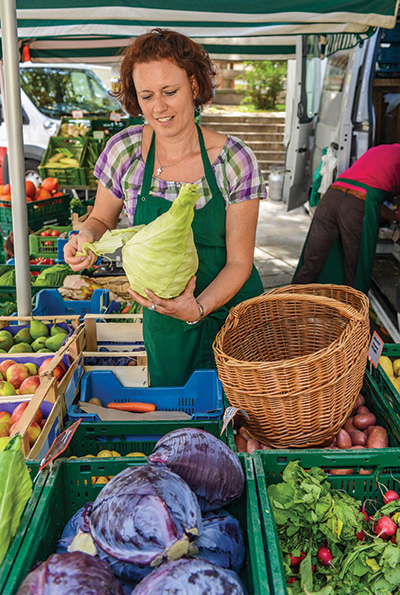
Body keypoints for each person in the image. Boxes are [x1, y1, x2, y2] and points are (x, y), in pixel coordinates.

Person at [64, 28, 267, 387]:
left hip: (234, 316)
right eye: (146, 96)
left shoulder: (234, 160)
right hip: (165, 321)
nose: (159, 107)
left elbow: (240, 262)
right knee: (177, 421)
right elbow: (99, 218)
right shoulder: (124, 151)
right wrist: (85, 238)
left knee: (242, 422)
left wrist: (199, 307)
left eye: (170, 92)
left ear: (193, 85)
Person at [293, 144, 400, 294]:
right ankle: (353, 312)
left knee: (312, 261)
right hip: (357, 204)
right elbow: (368, 195)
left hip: (332, 196)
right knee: (355, 268)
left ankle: (290, 305)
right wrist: (396, 218)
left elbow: (368, 185)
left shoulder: (381, 149)